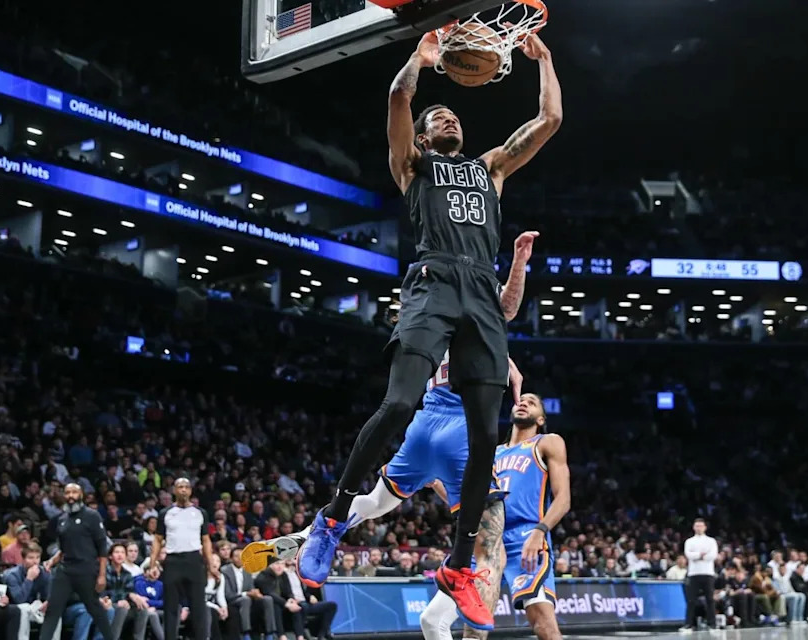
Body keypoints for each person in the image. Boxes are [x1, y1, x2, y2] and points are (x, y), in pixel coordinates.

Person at [298, 25, 561, 631]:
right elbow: (398, 99)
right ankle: (334, 517)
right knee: (398, 403)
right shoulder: (412, 166)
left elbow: (548, 119)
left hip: (481, 291)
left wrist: (543, 60)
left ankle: (462, 564)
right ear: (421, 135)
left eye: (453, 117)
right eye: (438, 116)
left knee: (483, 436)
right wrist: (420, 62)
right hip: (433, 282)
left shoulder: (491, 168)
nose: (450, 120)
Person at [242, 242, 537, 575]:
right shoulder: (478, 315)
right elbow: (507, 311)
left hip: (424, 423)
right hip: (460, 429)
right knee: (488, 545)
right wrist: (519, 263)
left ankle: (307, 535)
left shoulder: (429, 326)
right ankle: (465, 611)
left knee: (375, 502)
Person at [420, 393, 571, 640]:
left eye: (531, 402)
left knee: (543, 624)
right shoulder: (491, 454)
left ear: (541, 419)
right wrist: (435, 482)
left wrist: (540, 531)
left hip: (524, 537)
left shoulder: (547, 442)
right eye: (520, 400)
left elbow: (563, 499)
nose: (523, 403)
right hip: (486, 538)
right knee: (444, 622)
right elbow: (469, 503)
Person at [37, 483, 118, 640]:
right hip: (65, 570)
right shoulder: (62, 519)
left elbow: (102, 547)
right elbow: (63, 547)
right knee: (53, 609)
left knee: (95, 608)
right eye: (67, 493)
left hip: (86, 569)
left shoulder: (92, 516)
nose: (71, 496)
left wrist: (102, 575)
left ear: (81, 495)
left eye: (74, 492)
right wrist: (52, 560)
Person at [150, 477, 217, 640]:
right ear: (174, 490)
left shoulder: (200, 513)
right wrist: (153, 563)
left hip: (194, 560)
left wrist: (211, 565)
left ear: (190, 490)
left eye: (186, 487)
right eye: (179, 487)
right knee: (171, 608)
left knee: (198, 607)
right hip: (173, 561)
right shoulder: (165, 513)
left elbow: (206, 540)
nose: (183, 490)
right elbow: (158, 539)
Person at [2, 543, 56, 640]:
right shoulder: (11, 575)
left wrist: (47, 602)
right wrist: (29, 579)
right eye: (31, 558)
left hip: (35, 609)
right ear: (23, 559)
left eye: (37, 557)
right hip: (15, 610)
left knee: (54, 611)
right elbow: (19, 600)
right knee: (24, 608)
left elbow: (47, 597)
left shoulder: (43, 572)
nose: (35, 562)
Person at [222, 547, 276, 640]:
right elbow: (228, 595)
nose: (239, 558)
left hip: (247, 598)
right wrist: (246, 594)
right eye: (236, 556)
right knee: (245, 599)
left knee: (267, 599)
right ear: (231, 558)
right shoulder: (225, 571)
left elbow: (251, 588)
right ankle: (246, 634)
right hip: (233, 600)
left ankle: (269, 633)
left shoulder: (247, 570)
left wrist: (256, 593)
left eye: (242, 556)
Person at [680, 518, 718, 632]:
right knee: (691, 600)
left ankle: (712, 624)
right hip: (694, 573)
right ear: (693, 527)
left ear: (705, 527)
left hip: (708, 573)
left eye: (701, 526)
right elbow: (688, 554)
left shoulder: (711, 541)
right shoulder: (689, 541)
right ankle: (688, 624)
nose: (699, 528)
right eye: (697, 526)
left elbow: (713, 555)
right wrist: (700, 555)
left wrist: (698, 556)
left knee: (710, 599)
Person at [133, 564, 165, 640]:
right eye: (153, 570)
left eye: (157, 571)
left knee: (170, 613)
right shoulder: (139, 583)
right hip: (142, 609)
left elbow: (164, 602)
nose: (155, 572)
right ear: (145, 572)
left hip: (156, 609)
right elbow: (143, 601)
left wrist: (154, 605)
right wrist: (154, 603)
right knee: (153, 615)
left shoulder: (161, 584)